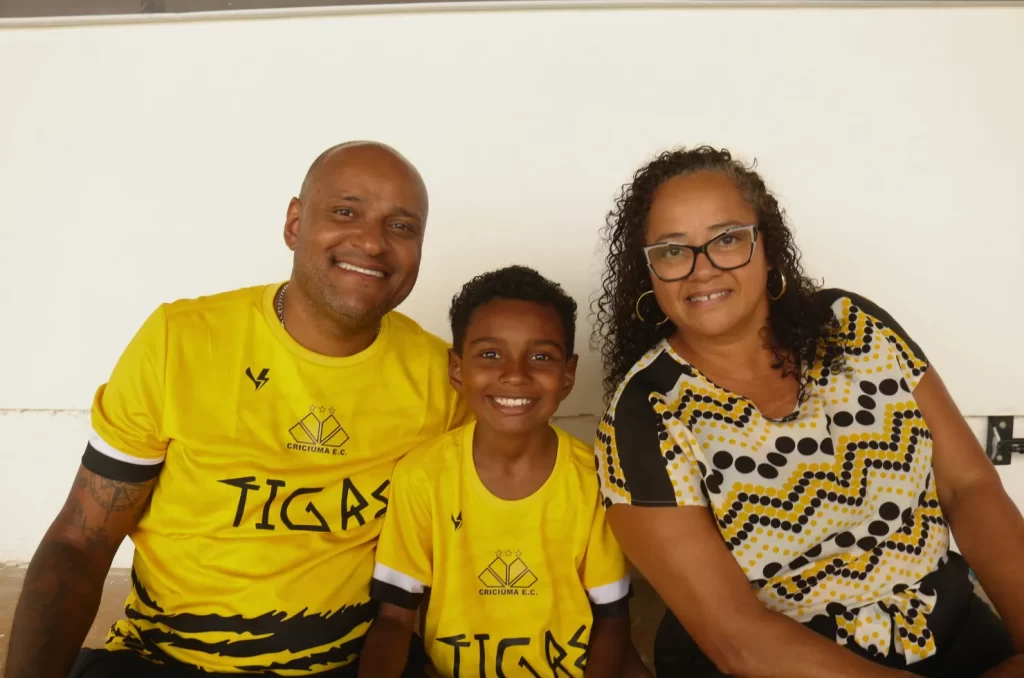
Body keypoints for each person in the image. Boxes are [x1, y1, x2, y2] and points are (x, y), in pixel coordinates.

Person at [3, 141, 469, 678]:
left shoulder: (444, 380)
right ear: (295, 223)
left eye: (402, 226)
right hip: (165, 663)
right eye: (346, 211)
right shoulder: (179, 341)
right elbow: (81, 538)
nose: (371, 241)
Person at [590, 145, 1024, 677]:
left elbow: (969, 488)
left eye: (727, 240)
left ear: (767, 247)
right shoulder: (643, 413)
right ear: (649, 272)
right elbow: (737, 638)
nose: (701, 270)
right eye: (673, 251)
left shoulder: (856, 326)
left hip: (945, 625)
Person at [357, 265, 635, 678]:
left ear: (568, 375)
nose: (515, 374)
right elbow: (395, 620)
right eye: (490, 354)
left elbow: (612, 621)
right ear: (457, 370)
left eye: (541, 357)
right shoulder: (423, 476)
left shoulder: (594, 480)